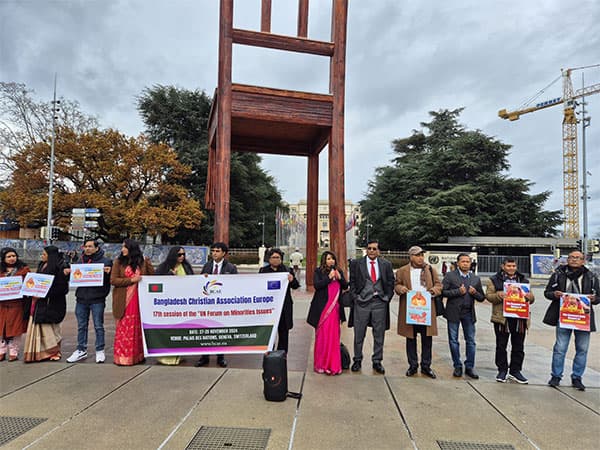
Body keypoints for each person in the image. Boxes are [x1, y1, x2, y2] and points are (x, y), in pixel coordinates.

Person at [544, 250, 600, 391]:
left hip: (583, 318)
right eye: (572, 257)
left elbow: (598, 297)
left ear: (583, 261)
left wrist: (594, 299)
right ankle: (556, 376)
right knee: (560, 348)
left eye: (578, 258)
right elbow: (547, 292)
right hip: (564, 317)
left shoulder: (591, 276)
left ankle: (577, 377)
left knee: (582, 348)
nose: (574, 260)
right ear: (567, 259)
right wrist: (555, 294)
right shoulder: (558, 274)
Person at [394, 246, 442, 379]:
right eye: (417, 255)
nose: (420, 258)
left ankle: (426, 366)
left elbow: (439, 285)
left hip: (426, 310)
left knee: (427, 339)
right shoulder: (402, 271)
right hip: (410, 309)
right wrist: (400, 288)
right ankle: (413, 365)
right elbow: (396, 285)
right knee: (411, 338)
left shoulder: (430, 269)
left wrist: (432, 291)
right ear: (411, 257)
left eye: (422, 255)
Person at [348, 240, 394, 374]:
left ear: (378, 251)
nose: (372, 251)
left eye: (375, 249)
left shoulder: (386, 264)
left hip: (379, 302)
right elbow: (352, 282)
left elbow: (390, 282)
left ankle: (377, 361)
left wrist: (387, 298)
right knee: (359, 333)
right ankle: (357, 359)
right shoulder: (357, 264)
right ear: (366, 250)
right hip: (362, 303)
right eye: (369, 249)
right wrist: (356, 298)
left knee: (379, 334)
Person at [486, 257, 535, 383]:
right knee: (501, 345)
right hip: (502, 318)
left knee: (518, 346)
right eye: (509, 266)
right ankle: (502, 370)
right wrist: (498, 295)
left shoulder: (523, 280)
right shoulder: (494, 280)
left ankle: (515, 371)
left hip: (520, 318)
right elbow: (489, 296)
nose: (511, 268)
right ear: (503, 266)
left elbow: (531, 298)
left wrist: (530, 297)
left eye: (513, 266)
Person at [65, 239, 113, 364]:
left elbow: (111, 279)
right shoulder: (79, 261)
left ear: (97, 248)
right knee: (81, 326)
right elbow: (74, 277)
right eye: (85, 246)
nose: (87, 249)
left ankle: (100, 349)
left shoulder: (106, 262)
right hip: (81, 298)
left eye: (90, 246)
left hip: (97, 298)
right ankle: (81, 349)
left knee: (98, 326)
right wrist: (67, 272)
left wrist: (109, 273)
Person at [111, 239, 154, 366]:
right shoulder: (118, 262)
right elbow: (113, 280)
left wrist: (147, 262)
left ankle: (138, 356)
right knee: (124, 329)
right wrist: (131, 280)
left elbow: (151, 276)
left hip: (140, 300)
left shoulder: (142, 262)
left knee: (137, 329)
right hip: (124, 300)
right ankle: (123, 357)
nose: (122, 249)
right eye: (122, 247)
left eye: (125, 247)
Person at [442, 253, 485, 379]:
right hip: (453, 313)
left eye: (468, 261)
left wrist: (475, 292)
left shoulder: (475, 279)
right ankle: (457, 365)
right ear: (458, 263)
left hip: (468, 313)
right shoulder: (450, 276)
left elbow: (482, 297)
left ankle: (470, 366)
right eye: (463, 261)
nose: (465, 264)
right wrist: (457, 292)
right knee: (453, 340)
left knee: (471, 341)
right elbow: (443, 292)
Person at [23, 246, 69, 362]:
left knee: (52, 329)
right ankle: (40, 353)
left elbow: (62, 289)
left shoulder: (60, 267)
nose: (42, 256)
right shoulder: (41, 265)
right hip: (39, 303)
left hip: (52, 304)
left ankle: (54, 352)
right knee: (40, 329)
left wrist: (44, 294)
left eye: (44, 254)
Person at [196, 242, 238, 367]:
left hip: (222, 305)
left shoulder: (231, 268)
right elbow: (200, 284)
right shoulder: (207, 266)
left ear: (224, 253)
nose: (214, 253)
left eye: (217, 251)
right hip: (207, 304)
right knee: (205, 330)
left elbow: (236, 285)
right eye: (213, 251)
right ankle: (204, 357)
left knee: (220, 330)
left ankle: (220, 357)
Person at [307, 251, 348, 375]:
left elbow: (345, 286)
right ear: (324, 260)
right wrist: (328, 278)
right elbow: (317, 285)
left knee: (334, 338)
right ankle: (321, 364)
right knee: (322, 337)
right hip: (322, 310)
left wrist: (340, 279)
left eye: (333, 259)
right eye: (328, 259)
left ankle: (333, 365)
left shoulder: (339, 271)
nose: (331, 261)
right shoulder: (319, 271)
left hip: (335, 310)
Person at [154, 246, 194, 365]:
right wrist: (170, 276)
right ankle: (166, 355)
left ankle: (179, 354)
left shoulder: (186, 267)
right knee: (168, 330)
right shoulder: (164, 267)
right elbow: (156, 283)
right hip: (168, 305)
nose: (182, 257)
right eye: (179, 255)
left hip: (183, 304)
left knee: (181, 330)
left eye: (183, 254)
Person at [260, 248, 300, 353]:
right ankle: (269, 355)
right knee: (269, 334)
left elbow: (296, 286)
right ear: (269, 259)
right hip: (269, 307)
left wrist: (292, 280)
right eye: (273, 257)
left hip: (284, 307)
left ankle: (282, 356)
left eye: (278, 257)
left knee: (283, 333)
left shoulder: (287, 270)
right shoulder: (263, 271)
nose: (275, 260)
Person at [0, 248, 30, 361]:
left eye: (14, 256)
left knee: (16, 330)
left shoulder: (24, 270)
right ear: (3, 258)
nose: (12, 258)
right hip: (2, 305)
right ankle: (1, 351)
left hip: (17, 305)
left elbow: (30, 284)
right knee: (0, 329)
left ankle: (14, 351)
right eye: (9, 256)